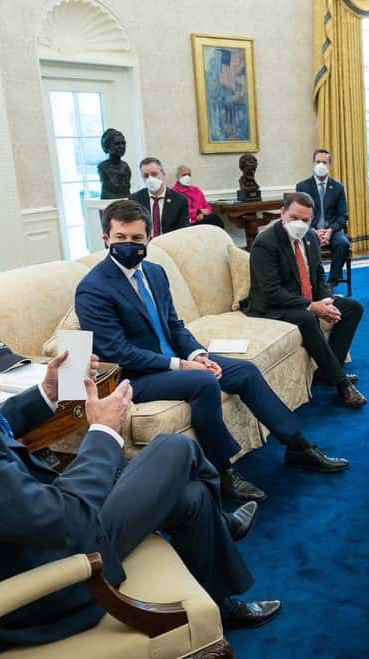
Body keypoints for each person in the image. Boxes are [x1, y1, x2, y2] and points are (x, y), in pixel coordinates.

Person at [0, 249, 282, 655]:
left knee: (189, 498)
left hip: (19, 526)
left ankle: (220, 600)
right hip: (46, 582)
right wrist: (104, 432)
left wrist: (47, 392)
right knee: (172, 450)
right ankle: (224, 533)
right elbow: (65, 520)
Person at [75, 200, 349, 506]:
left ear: (149, 238)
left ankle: (298, 446)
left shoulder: (154, 273)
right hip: (137, 377)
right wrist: (181, 366)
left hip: (176, 362)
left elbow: (174, 326)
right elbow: (119, 352)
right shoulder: (93, 289)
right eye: (121, 238)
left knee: (244, 371)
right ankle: (223, 472)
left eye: (137, 239)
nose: (129, 245)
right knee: (204, 383)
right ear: (106, 240)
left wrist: (196, 355)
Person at [246, 192, 368, 408]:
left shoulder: (310, 237)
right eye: (294, 218)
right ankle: (341, 383)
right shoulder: (265, 242)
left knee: (352, 308)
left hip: (306, 299)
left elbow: (318, 276)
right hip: (272, 306)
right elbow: (271, 291)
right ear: (282, 213)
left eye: (305, 220)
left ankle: (328, 372)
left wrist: (327, 302)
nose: (299, 224)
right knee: (307, 318)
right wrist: (312, 306)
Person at [294, 149, 351, 289]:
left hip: (332, 229)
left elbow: (343, 215)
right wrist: (313, 231)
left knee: (343, 244)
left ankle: (331, 283)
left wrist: (330, 230)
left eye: (324, 162)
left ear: (329, 165)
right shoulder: (302, 186)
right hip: (310, 229)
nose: (321, 165)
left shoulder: (338, 187)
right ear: (313, 164)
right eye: (318, 162)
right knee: (307, 245)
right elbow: (298, 215)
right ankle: (313, 284)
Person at [128, 157, 190, 237]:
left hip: (170, 243)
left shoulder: (180, 200)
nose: (150, 179)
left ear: (163, 173)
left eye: (154, 174)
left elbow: (183, 231)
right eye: (146, 176)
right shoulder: (134, 199)